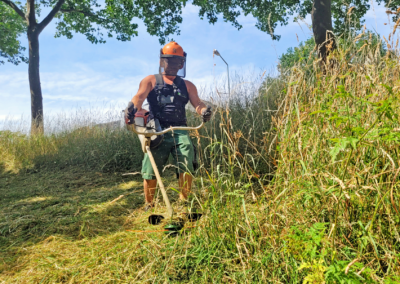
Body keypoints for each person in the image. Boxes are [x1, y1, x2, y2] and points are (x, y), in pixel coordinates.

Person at [125, 41, 212, 211]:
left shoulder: (188, 85)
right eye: (169, 61)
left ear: (181, 64)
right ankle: (149, 204)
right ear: (161, 62)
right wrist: (132, 107)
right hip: (157, 129)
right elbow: (139, 97)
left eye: (176, 62)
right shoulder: (150, 80)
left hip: (181, 129)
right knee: (150, 167)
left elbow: (198, 103)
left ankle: (184, 200)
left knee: (186, 159)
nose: (172, 65)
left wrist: (204, 111)